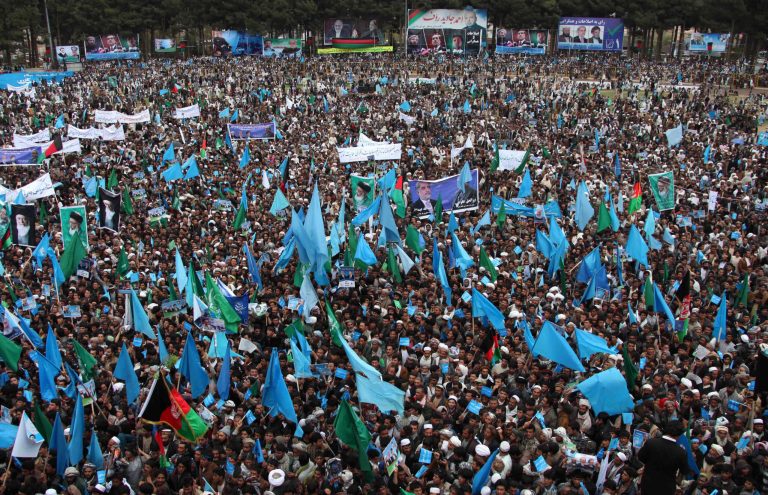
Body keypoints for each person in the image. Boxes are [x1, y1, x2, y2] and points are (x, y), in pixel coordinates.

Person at [637, 421, 690, 493]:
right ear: (679, 435)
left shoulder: (651, 443)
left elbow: (641, 457)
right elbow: (684, 470)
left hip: (648, 485)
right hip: (667, 488)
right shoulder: (681, 452)